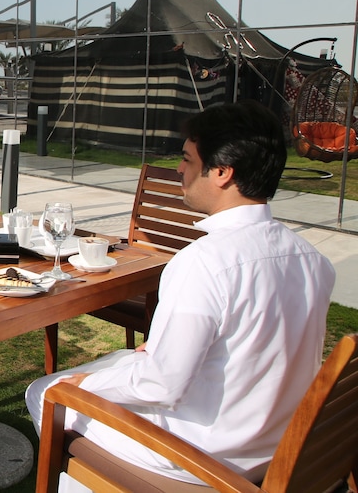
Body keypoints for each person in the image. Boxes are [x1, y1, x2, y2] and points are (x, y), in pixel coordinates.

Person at [25, 100, 336, 489]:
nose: (178, 169)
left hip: (200, 456)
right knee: (122, 359)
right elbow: (257, 346)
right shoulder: (313, 261)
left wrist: (81, 385)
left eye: (188, 159)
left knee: (46, 391)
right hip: (273, 445)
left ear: (221, 172)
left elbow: (162, 385)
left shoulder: (204, 262)